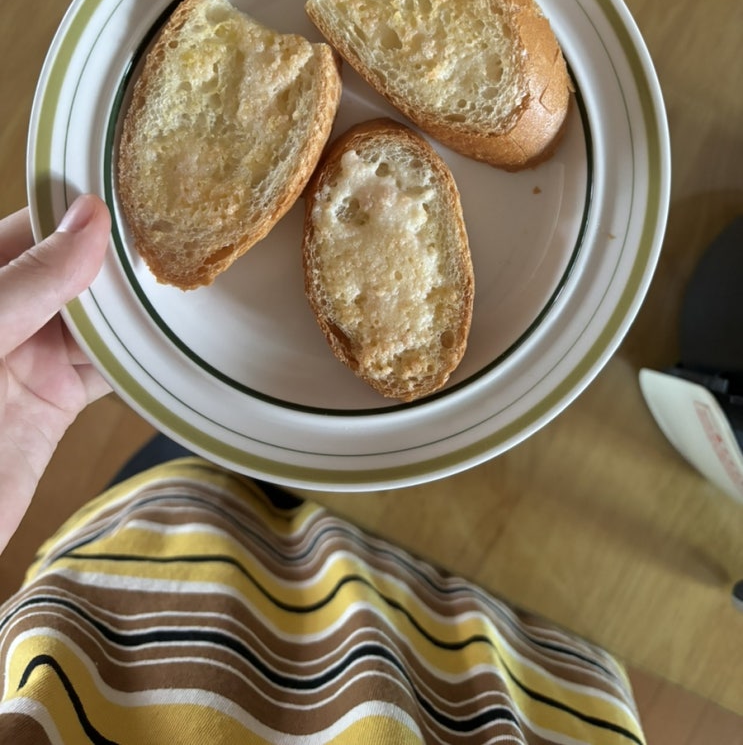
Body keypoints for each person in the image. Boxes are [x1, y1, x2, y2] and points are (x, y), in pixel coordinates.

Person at [0, 196, 647, 744]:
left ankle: (215, 470)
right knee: (540, 634)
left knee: (196, 482)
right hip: (514, 669)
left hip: (150, 594)